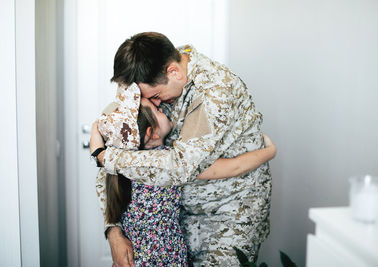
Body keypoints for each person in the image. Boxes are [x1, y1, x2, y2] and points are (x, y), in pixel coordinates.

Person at [90, 32, 275, 266]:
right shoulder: (148, 75)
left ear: (174, 72)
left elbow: (179, 167)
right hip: (174, 222)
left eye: (156, 96)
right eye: (148, 100)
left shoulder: (215, 91)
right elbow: (118, 153)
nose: (154, 104)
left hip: (227, 216)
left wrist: (105, 156)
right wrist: (113, 230)